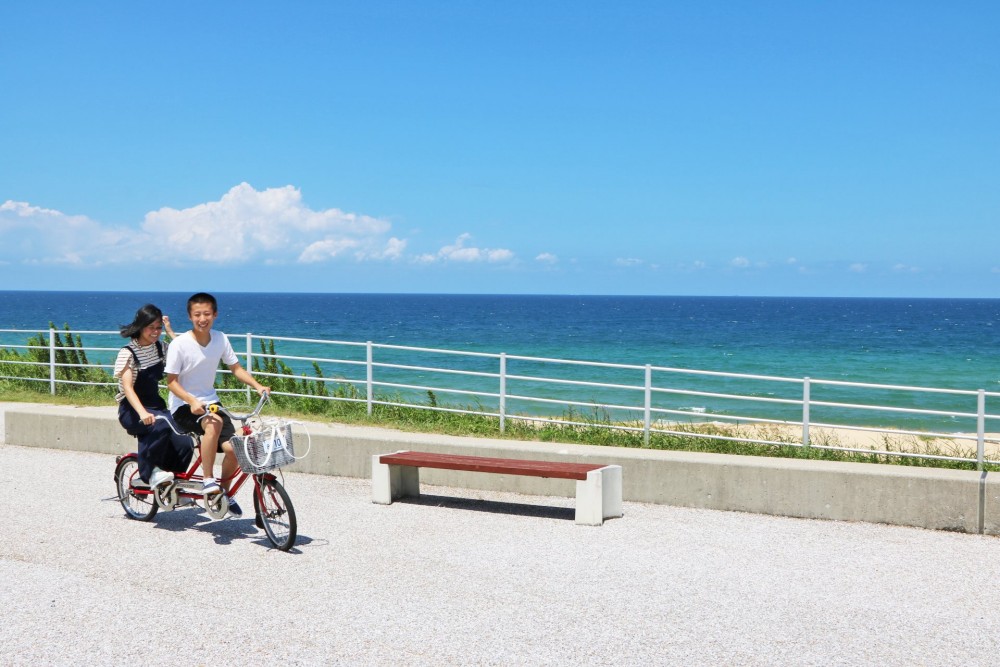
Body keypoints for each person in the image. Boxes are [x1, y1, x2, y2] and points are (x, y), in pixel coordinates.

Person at [165, 292, 269, 518]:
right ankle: (208, 481)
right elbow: (171, 382)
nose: (202, 319)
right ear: (190, 316)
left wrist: (258, 386)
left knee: (235, 449)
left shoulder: (220, 338)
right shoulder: (179, 344)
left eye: (207, 314)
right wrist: (191, 400)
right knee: (213, 423)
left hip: (211, 403)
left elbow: (236, 368)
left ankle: (224, 494)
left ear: (215, 314)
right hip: (183, 406)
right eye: (197, 314)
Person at [114, 304, 193, 488]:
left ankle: (173, 484)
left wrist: (170, 330)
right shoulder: (128, 353)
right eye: (151, 327)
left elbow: (182, 351)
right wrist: (142, 413)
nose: (156, 332)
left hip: (156, 406)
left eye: (159, 328)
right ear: (141, 326)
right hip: (132, 409)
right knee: (159, 425)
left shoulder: (160, 348)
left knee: (185, 440)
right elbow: (128, 388)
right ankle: (148, 474)